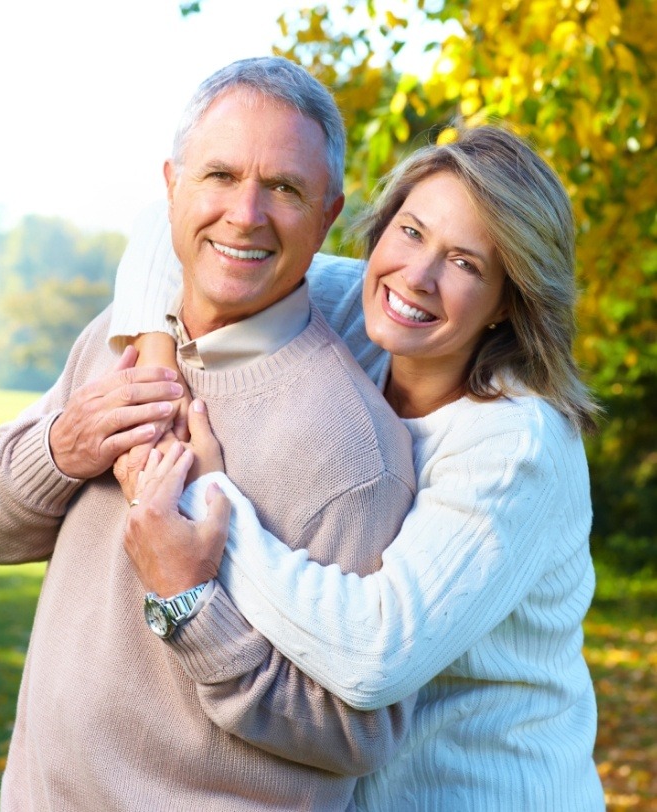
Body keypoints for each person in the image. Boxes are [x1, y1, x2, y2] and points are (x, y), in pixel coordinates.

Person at [0, 57, 420, 811]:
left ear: (329, 214)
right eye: (220, 176)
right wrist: (61, 449)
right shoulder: (118, 338)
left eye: (284, 188)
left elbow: (357, 735)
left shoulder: (353, 453)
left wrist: (190, 604)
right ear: (172, 186)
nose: (245, 214)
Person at [110, 124, 606, 810]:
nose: (418, 276)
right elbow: (162, 227)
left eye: (465, 263)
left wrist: (207, 499)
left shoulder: (516, 443)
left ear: (509, 302)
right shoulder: (355, 311)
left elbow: (373, 655)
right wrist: (160, 372)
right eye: (410, 232)